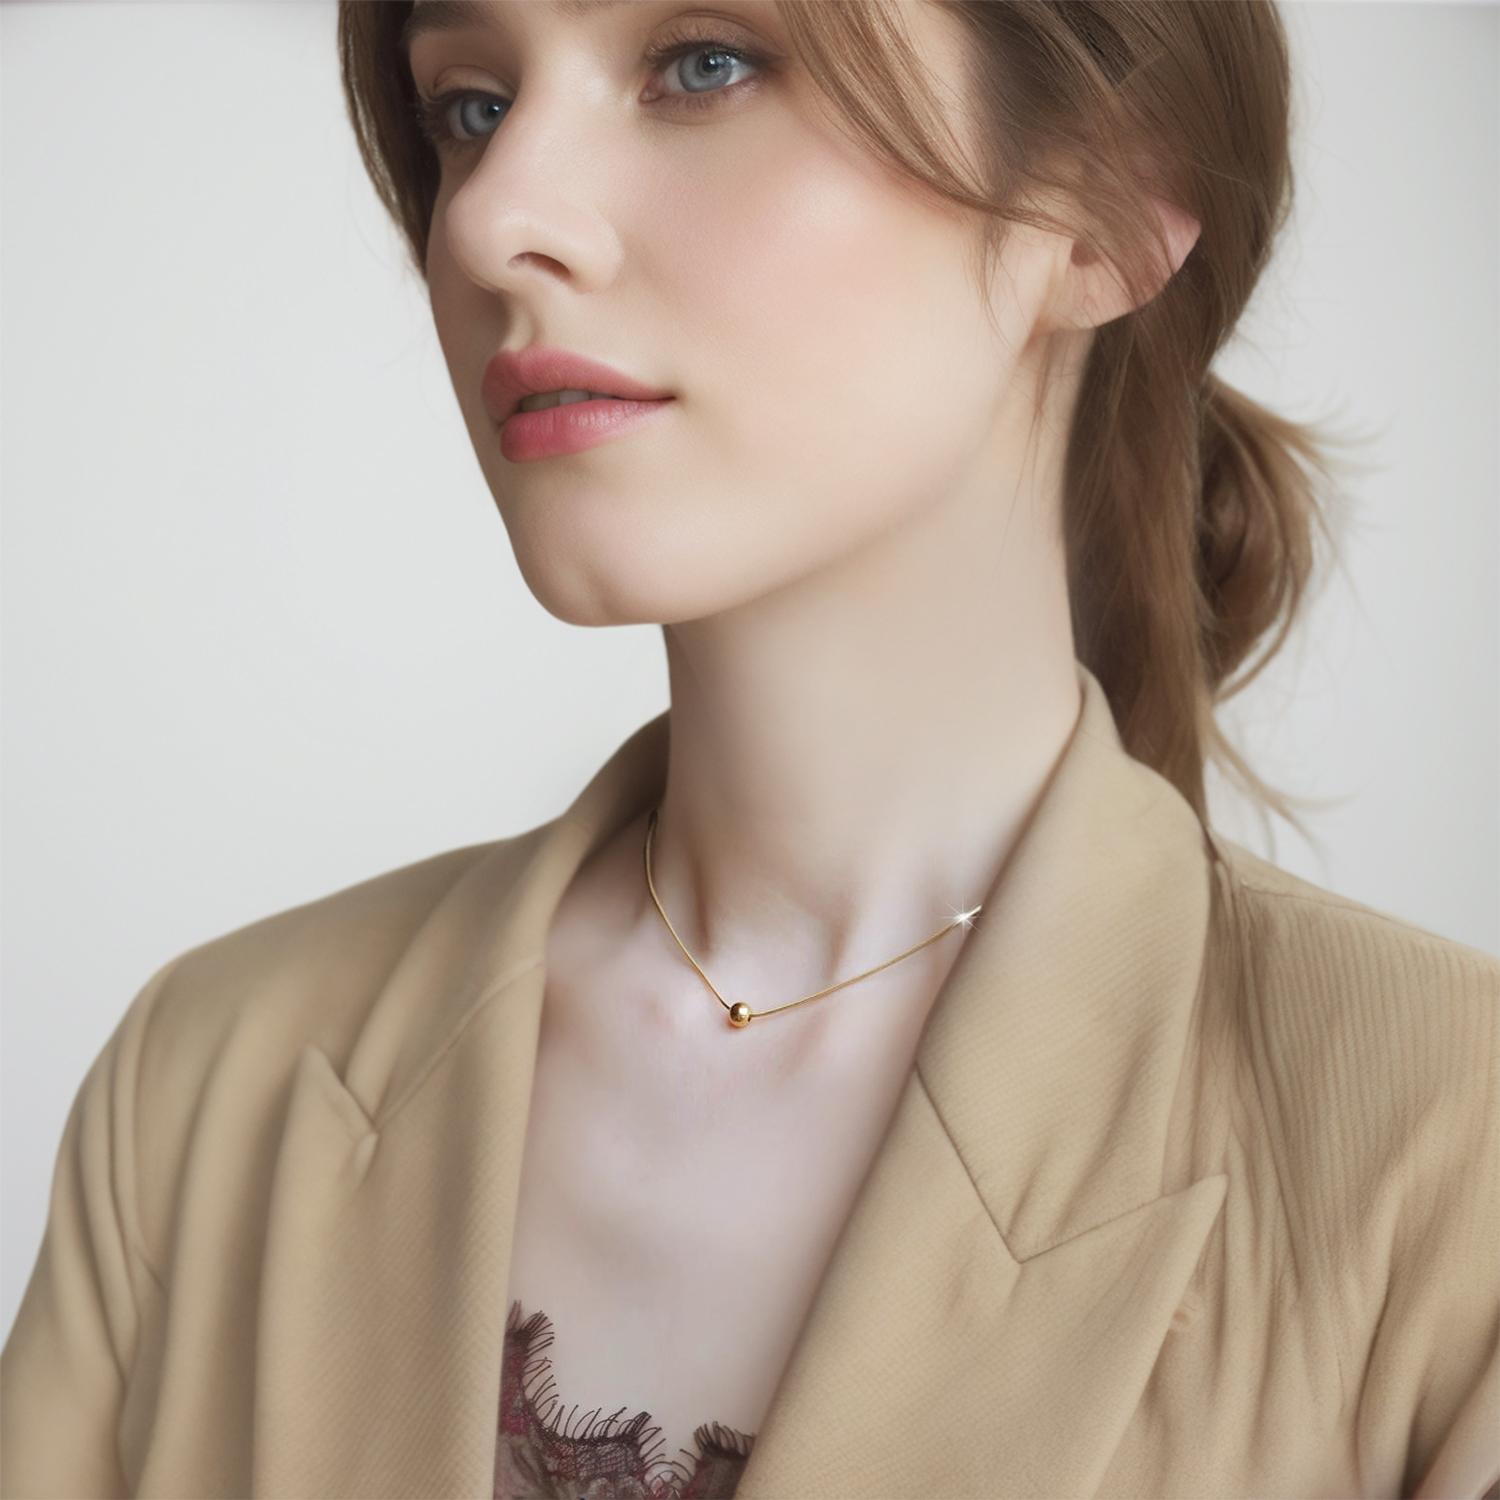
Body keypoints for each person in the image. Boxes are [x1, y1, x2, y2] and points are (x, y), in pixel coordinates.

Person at [3, 2, 1496, 1497]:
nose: (494, 221)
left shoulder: (1451, 1159)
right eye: (469, 106)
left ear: (1106, 195)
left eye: (704, 63)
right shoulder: (206, 1092)